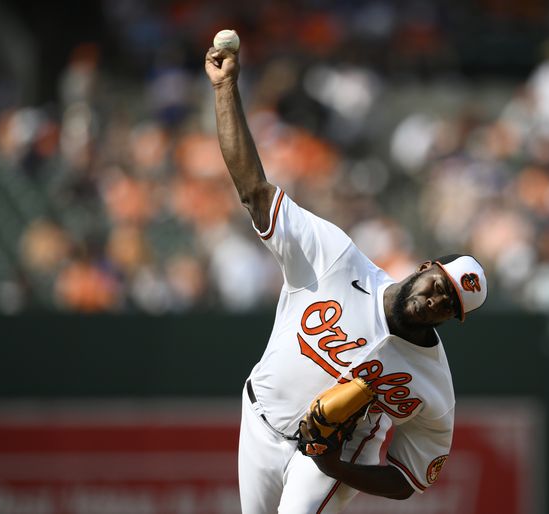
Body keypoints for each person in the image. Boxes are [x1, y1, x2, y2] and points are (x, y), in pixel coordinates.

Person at [205, 45, 488, 514]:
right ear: (425, 268)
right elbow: (255, 192)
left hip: (328, 459)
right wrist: (224, 88)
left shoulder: (433, 384)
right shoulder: (337, 259)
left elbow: (410, 478)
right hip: (257, 417)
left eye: (450, 307)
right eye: (440, 287)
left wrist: (339, 468)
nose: (437, 302)